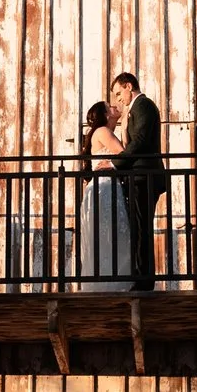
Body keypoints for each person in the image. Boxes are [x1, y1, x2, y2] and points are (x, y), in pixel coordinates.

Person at [110, 72, 164, 290]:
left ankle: (144, 281)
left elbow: (140, 140)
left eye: (118, 93)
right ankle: (141, 277)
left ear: (128, 86)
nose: (118, 99)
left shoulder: (144, 105)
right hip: (138, 178)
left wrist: (115, 164)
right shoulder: (134, 110)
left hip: (145, 177)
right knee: (139, 228)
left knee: (142, 229)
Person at [76, 100, 131, 290]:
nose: (116, 106)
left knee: (111, 235)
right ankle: (110, 284)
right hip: (105, 188)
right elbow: (125, 155)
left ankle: (110, 282)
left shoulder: (106, 132)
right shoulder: (102, 131)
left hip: (107, 187)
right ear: (106, 115)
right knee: (109, 235)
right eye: (111, 107)